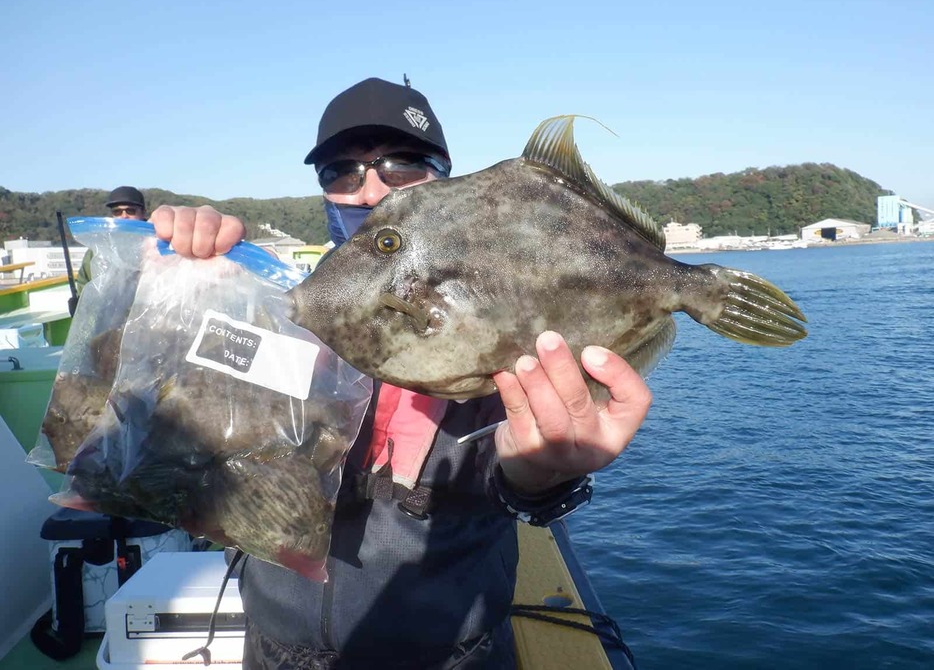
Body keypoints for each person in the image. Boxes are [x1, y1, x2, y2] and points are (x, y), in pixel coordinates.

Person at [150, 78, 652, 669]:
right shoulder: (281, 303)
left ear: (445, 178)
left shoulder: (502, 305)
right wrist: (190, 273)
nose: (369, 190)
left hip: (452, 655)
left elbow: (515, 477)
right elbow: (190, 419)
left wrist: (542, 475)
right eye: (341, 172)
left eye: (402, 165)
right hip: (274, 647)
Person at [75, 185, 147, 296]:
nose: (124, 216)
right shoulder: (99, 248)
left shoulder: (156, 243)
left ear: (143, 213)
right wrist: (80, 302)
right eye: (117, 212)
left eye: (130, 211)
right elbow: (84, 282)